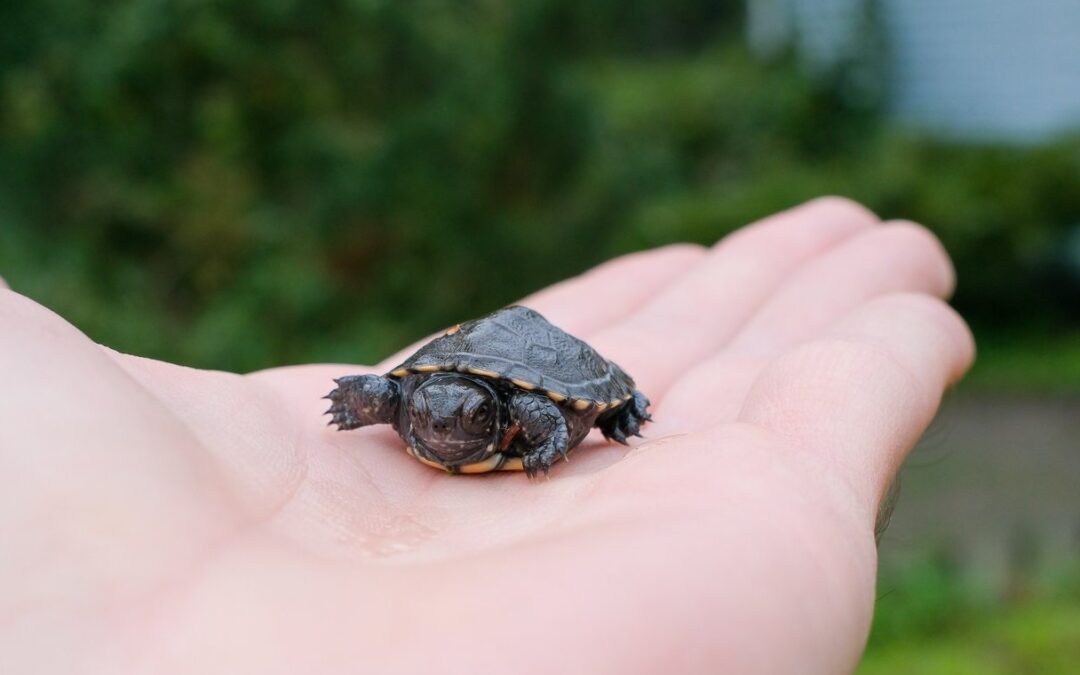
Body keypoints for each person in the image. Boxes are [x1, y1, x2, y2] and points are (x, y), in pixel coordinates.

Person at [0, 197, 973, 674]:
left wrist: (564, 434)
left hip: (541, 356)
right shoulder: (418, 398)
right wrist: (369, 401)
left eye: (462, 417)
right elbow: (382, 386)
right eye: (430, 413)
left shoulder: (517, 412)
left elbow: (550, 410)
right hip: (472, 351)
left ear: (491, 419)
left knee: (611, 404)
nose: (442, 423)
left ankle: (627, 403)